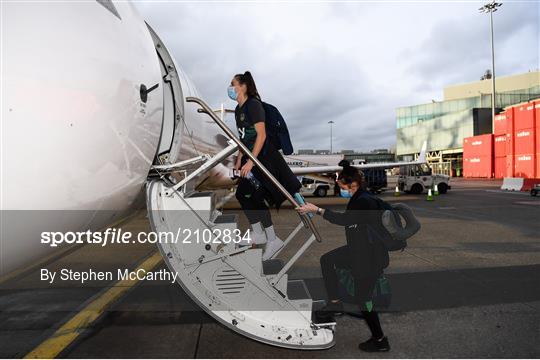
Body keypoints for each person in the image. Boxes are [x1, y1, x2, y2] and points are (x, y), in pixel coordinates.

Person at [296, 160, 391, 352]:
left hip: (369, 257)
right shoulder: (361, 197)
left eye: (341, 186)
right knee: (328, 260)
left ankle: (380, 340)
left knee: (364, 299)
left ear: (352, 185)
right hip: (359, 250)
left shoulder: (364, 201)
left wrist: (318, 210)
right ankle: (335, 303)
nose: (339, 189)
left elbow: (345, 220)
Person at [228, 71, 301, 260]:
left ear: (243, 86)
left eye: (233, 84)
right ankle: (266, 236)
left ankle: (266, 236)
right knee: (248, 194)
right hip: (250, 157)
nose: (230, 88)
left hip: (262, 158)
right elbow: (244, 137)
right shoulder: (238, 109)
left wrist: (251, 162)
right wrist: (239, 158)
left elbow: (261, 135)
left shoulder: (253, 105)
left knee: (248, 193)